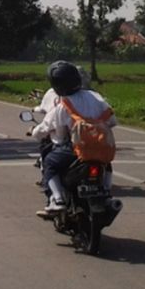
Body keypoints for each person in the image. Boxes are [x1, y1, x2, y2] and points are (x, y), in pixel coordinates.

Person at [28, 61, 116, 218]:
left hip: (73, 150)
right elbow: (112, 120)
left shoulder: (64, 105)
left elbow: (48, 130)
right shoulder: (95, 97)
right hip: (100, 147)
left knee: (50, 162)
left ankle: (58, 199)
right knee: (106, 164)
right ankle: (107, 194)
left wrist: (35, 133)